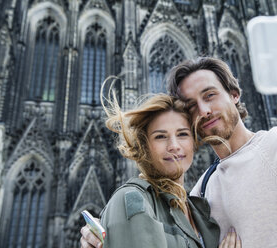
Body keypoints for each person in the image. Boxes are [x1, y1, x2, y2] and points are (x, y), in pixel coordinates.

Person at [81, 16, 277, 247]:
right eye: (192, 105)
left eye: (210, 95)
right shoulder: (198, 195)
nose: (204, 110)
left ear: (234, 94)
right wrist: (105, 238)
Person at [82, 93, 241, 248]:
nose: (174, 145)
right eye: (160, 136)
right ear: (144, 146)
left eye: (182, 134)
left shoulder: (201, 211)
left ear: (194, 142)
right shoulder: (132, 200)